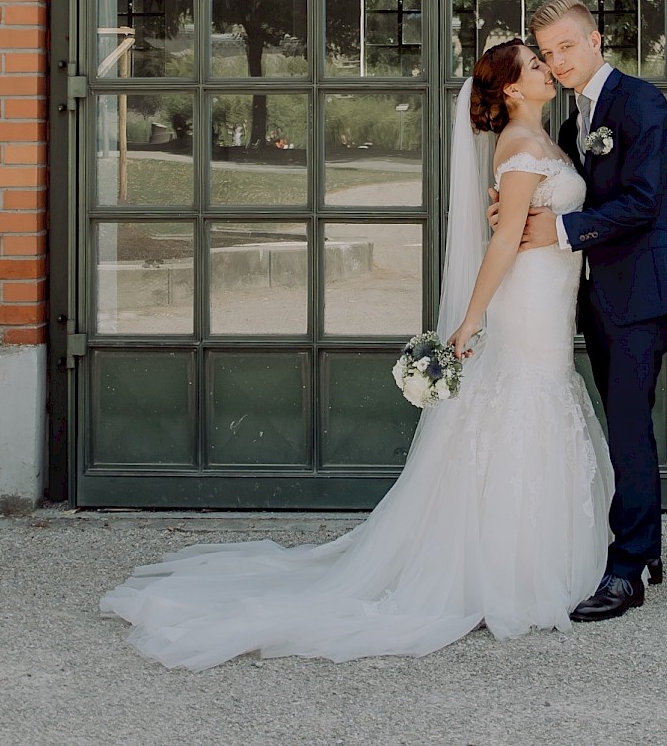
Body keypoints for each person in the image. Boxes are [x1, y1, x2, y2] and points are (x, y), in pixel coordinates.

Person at [99, 39, 612, 668]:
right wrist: (470, 320)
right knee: (523, 405)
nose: (546, 70)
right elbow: (502, 244)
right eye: (535, 65)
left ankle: (533, 557)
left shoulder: (547, 138)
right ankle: (508, 570)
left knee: (538, 400)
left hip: (551, 296)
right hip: (526, 299)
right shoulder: (522, 147)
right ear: (510, 88)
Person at [520, 0, 667, 620]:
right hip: (597, 294)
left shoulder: (641, 101)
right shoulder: (573, 122)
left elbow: (646, 202)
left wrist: (560, 230)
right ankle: (643, 547)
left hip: (642, 292)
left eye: (566, 46)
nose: (557, 61)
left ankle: (626, 573)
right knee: (625, 421)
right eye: (546, 54)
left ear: (596, 41)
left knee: (626, 426)